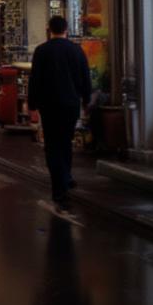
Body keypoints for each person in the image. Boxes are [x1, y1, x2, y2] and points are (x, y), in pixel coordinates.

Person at [27, 15, 91, 212]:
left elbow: (35, 80)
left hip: (49, 105)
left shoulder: (41, 51)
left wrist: (32, 105)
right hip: (70, 104)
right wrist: (86, 100)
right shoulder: (76, 50)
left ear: (49, 30)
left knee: (52, 145)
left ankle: (59, 188)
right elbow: (85, 77)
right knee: (66, 141)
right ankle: (67, 176)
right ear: (66, 30)